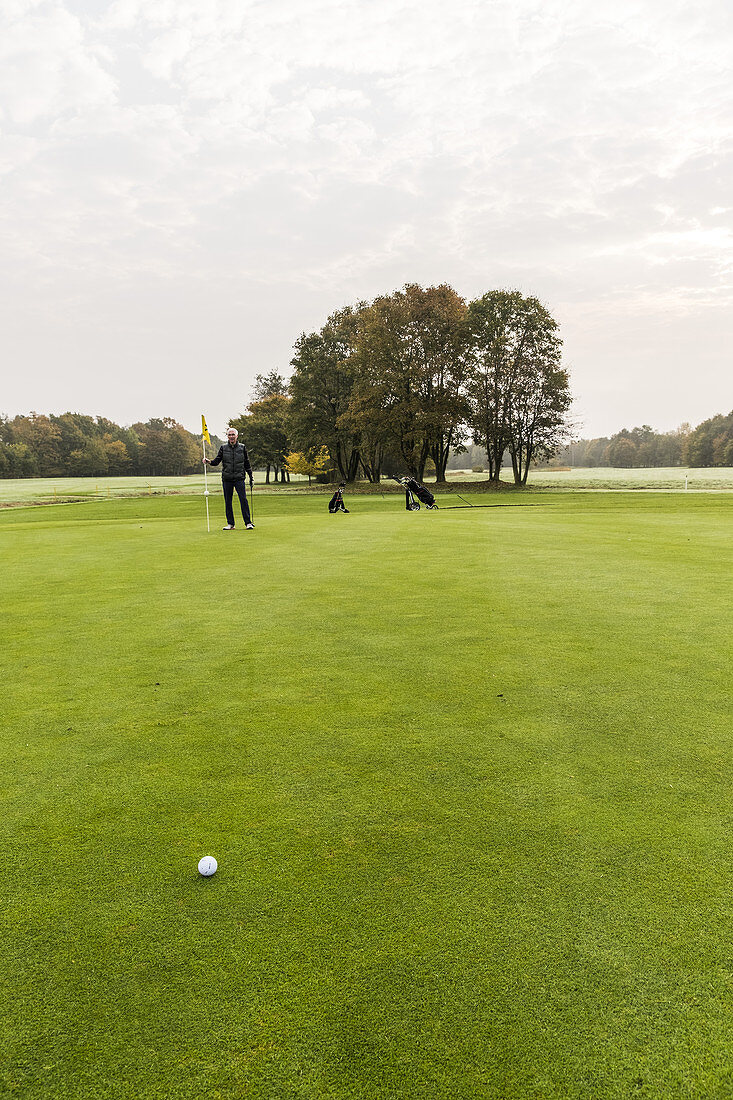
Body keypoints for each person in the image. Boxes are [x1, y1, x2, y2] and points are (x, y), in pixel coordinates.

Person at [204, 427, 255, 530]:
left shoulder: (242, 447)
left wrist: (251, 477)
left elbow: (247, 463)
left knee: (243, 500)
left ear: (237, 436)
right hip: (227, 478)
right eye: (229, 435)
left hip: (239, 478)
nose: (231, 436)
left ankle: (248, 523)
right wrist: (209, 461)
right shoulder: (223, 448)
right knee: (228, 501)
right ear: (227, 436)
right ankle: (230, 524)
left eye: (233, 435)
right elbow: (217, 461)